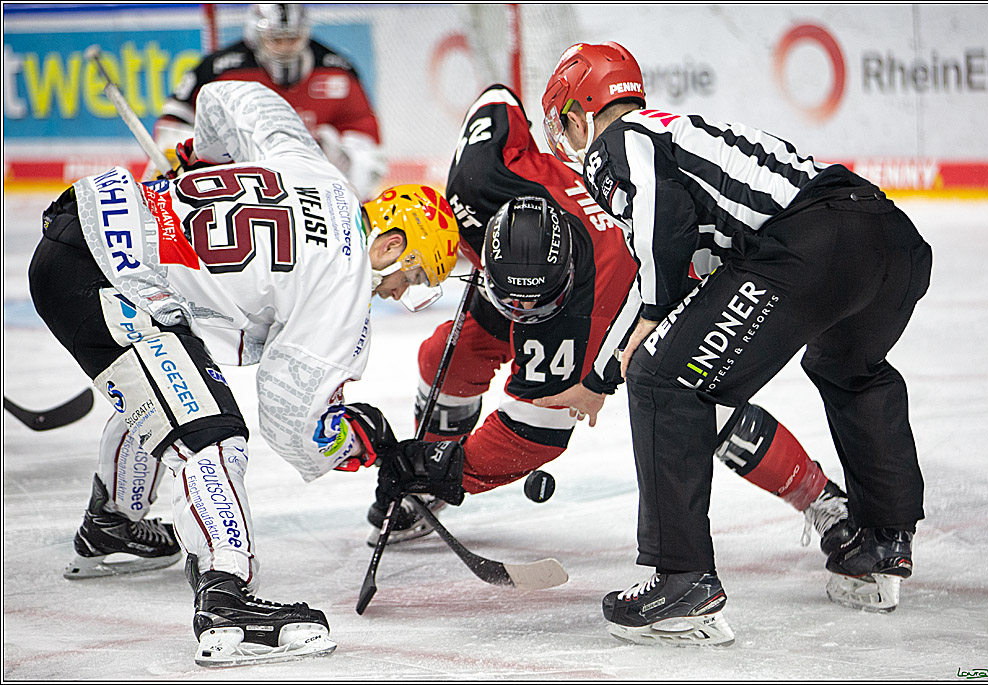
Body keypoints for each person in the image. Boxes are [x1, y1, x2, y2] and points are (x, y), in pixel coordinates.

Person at [28, 80, 462, 666]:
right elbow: (291, 420)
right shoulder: (346, 283)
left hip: (91, 221)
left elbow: (231, 98)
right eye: (411, 278)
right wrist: (363, 439)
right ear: (388, 245)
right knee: (211, 434)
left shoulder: (313, 167)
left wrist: (200, 157)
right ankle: (226, 601)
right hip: (109, 280)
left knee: (170, 387)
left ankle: (114, 523)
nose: (396, 293)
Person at [539, 42, 931, 643]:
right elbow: (689, 270)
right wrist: (598, 380)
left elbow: (662, 236)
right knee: (850, 369)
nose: (564, 135)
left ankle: (681, 582)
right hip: (890, 240)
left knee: (661, 379)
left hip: (813, 244)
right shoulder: (680, 137)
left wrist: (645, 327)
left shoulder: (621, 140)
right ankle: (881, 543)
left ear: (581, 108)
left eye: (563, 120)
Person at [370, 84, 850, 565]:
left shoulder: (585, 313)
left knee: (697, 404)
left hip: (642, 285)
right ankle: (426, 477)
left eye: (532, 306)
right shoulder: (480, 179)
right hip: (536, 269)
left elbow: (533, 436)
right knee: (447, 355)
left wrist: (450, 470)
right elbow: (498, 97)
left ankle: (821, 498)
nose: (522, 312)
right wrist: (430, 465)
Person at [149, 3, 386, 200]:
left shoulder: (338, 70)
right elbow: (173, 126)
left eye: (292, 38)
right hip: (236, 186)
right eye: (276, 39)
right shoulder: (218, 68)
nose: (285, 48)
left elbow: (365, 142)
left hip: (316, 186)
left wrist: (344, 177)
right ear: (256, 35)